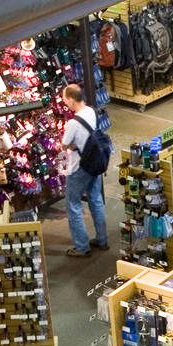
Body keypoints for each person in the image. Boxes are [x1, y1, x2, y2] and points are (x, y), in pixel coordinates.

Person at [60, 83, 108, 258]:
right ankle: (102, 240)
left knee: (73, 206)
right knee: (96, 199)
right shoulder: (91, 111)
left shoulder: (73, 123)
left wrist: (69, 146)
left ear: (72, 100)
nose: (64, 102)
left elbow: (65, 144)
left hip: (79, 167)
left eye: (65, 99)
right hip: (95, 163)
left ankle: (81, 246)